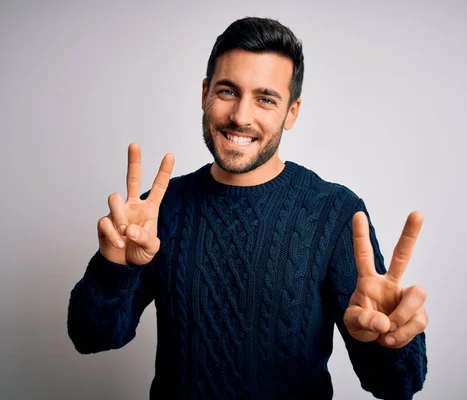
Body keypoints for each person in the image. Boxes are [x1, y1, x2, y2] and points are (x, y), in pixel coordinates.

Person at [67, 16, 428, 400]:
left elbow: (398, 386)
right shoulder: (160, 209)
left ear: (292, 112)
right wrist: (114, 268)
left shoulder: (335, 212)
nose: (241, 116)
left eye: (266, 99)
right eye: (227, 91)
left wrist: (390, 339)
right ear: (205, 93)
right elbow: (92, 338)